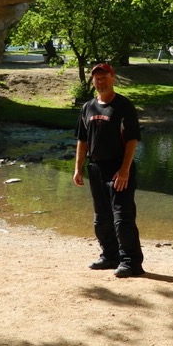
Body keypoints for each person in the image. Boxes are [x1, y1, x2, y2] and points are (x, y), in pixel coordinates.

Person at [73, 63, 145, 277]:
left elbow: (133, 140)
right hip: (96, 169)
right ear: (92, 81)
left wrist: (124, 170)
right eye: (97, 78)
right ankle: (110, 256)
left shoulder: (123, 106)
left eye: (104, 77)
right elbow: (82, 140)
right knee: (102, 218)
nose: (100, 81)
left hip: (118, 169)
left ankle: (131, 263)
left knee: (122, 218)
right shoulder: (88, 107)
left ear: (113, 78)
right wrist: (78, 168)